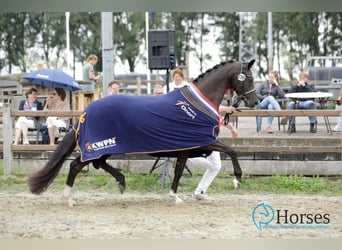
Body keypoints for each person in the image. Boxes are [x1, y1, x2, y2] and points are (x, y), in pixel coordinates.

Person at [189, 105, 238, 200]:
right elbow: (210, 108)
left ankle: (199, 192)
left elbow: (221, 120)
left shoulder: (215, 105)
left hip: (212, 141)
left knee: (216, 166)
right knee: (213, 165)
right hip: (200, 139)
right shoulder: (204, 103)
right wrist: (226, 109)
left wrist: (232, 128)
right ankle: (189, 157)